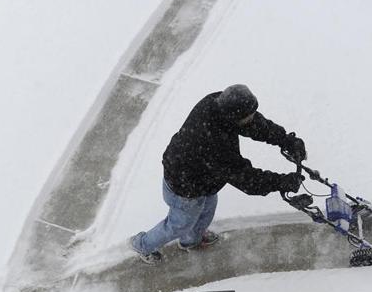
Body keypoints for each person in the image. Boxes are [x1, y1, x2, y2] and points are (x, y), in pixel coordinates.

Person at [129, 84, 306, 264]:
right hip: (184, 186)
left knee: (206, 212)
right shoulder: (212, 140)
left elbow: (253, 125)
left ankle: (192, 241)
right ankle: (142, 245)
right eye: (249, 115)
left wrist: (286, 141)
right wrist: (281, 182)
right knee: (179, 225)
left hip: (204, 177)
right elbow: (246, 179)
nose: (252, 117)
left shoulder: (219, 103)